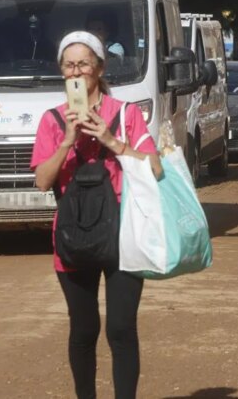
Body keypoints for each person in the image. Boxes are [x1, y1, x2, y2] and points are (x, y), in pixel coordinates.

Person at [32, 31, 162, 399]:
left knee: (121, 328)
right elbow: (43, 180)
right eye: (69, 65)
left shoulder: (125, 114)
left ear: (99, 68)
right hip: (73, 235)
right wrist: (67, 140)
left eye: (84, 65)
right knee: (83, 329)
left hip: (123, 234)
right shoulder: (52, 120)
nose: (76, 72)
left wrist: (111, 140)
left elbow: (155, 169)